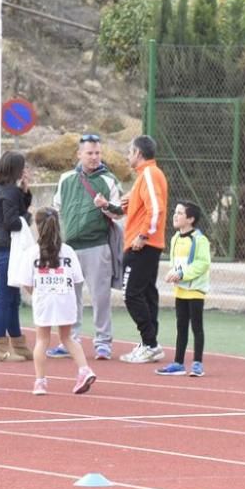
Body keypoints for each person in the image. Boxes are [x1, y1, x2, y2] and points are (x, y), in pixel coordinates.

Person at [47, 133, 125, 361]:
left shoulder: (108, 180)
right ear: (79, 154)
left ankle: (103, 342)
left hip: (97, 245)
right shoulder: (66, 179)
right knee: (70, 297)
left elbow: (119, 212)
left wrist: (105, 205)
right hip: (69, 247)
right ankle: (70, 339)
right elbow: (56, 208)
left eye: (97, 153)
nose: (94, 157)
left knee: (100, 296)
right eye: (89, 153)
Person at [103, 135, 169, 364]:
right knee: (146, 293)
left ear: (139, 153)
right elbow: (124, 207)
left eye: (130, 151)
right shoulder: (144, 177)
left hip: (143, 244)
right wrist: (106, 206)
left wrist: (143, 235)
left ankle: (150, 343)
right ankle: (150, 343)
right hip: (144, 243)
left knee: (131, 294)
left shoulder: (150, 174)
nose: (127, 156)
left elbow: (157, 208)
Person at [19, 207, 97, 396]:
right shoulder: (68, 251)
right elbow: (78, 279)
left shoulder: (32, 253)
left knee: (42, 339)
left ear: (37, 227)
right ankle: (84, 369)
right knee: (67, 337)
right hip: (66, 299)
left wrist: (37, 290)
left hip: (44, 300)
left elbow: (26, 283)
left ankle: (40, 382)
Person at [0, 150, 34, 362]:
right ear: (16, 169)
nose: (25, 170)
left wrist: (24, 192)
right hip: (7, 250)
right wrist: (28, 217)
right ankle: (0, 347)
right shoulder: (9, 192)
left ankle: (18, 344)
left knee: (12, 297)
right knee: (6, 297)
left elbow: (14, 209)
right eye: (23, 167)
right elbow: (12, 222)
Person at [155, 202, 211, 377]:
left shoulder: (200, 240)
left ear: (191, 219)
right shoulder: (175, 239)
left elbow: (202, 264)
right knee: (181, 326)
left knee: (196, 326)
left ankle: (197, 363)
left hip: (195, 290)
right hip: (180, 290)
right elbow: (175, 263)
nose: (175, 215)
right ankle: (178, 363)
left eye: (180, 213)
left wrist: (182, 274)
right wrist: (172, 274)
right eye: (175, 212)